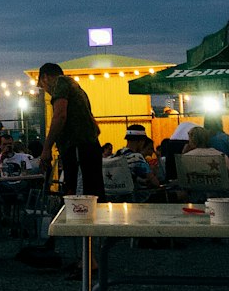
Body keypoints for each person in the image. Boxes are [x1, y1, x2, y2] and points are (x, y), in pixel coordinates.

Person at [36, 64, 103, 197]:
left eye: (42, 87)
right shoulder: (76, 88)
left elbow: (60, 116)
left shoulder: (61, 83)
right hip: (87, 146)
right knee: (92, 192)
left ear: (45, 78)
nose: (47, 92)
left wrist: (47, 148)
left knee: (81, 197)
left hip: (77, 147)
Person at [113, 125, 161, 193]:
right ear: (140, 141)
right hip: (136, 198)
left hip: (116, 198)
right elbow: (155, 183)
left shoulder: (116, 155)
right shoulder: (136, 157)